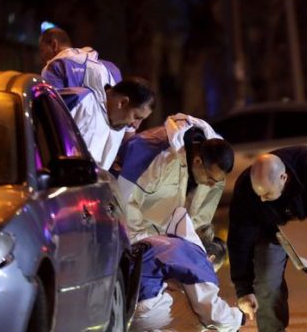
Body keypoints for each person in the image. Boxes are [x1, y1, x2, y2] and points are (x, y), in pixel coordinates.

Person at [228, 146, 307, 332]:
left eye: (267, 194)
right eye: (259, 195)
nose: (262, 200)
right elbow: (239, 240)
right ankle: (272, 329)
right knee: (266, 281)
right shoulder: (245, 189)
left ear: (284, 178)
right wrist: (243, 290)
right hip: (271, 229)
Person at [119, 113, 233, 242]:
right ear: (197, 161)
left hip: (165, 245)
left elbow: (199, 221)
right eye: (210, 179)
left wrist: (192, 246)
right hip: (132, 236)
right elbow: (126, 199)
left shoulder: (214, 167)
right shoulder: (157, 155)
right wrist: (143, 243)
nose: (212, 185)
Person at [130, 207, 244, 331]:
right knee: (198, 317)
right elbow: (213, 314)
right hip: (139, 303)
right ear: (211, 258)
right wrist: (237, 318)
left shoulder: (169, 241)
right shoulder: (198, 260)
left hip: (119, 296)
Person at [60, 77, 154, 170]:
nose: (135, 125)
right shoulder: (80, 101)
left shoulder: (118, 125)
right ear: (122, 102)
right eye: (136, 117)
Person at [39, 27, 122, 99]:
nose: (42, 57)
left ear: (54, 45)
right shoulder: (112, 68)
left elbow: (54, 110)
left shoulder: (54, 68)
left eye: (42, 51)